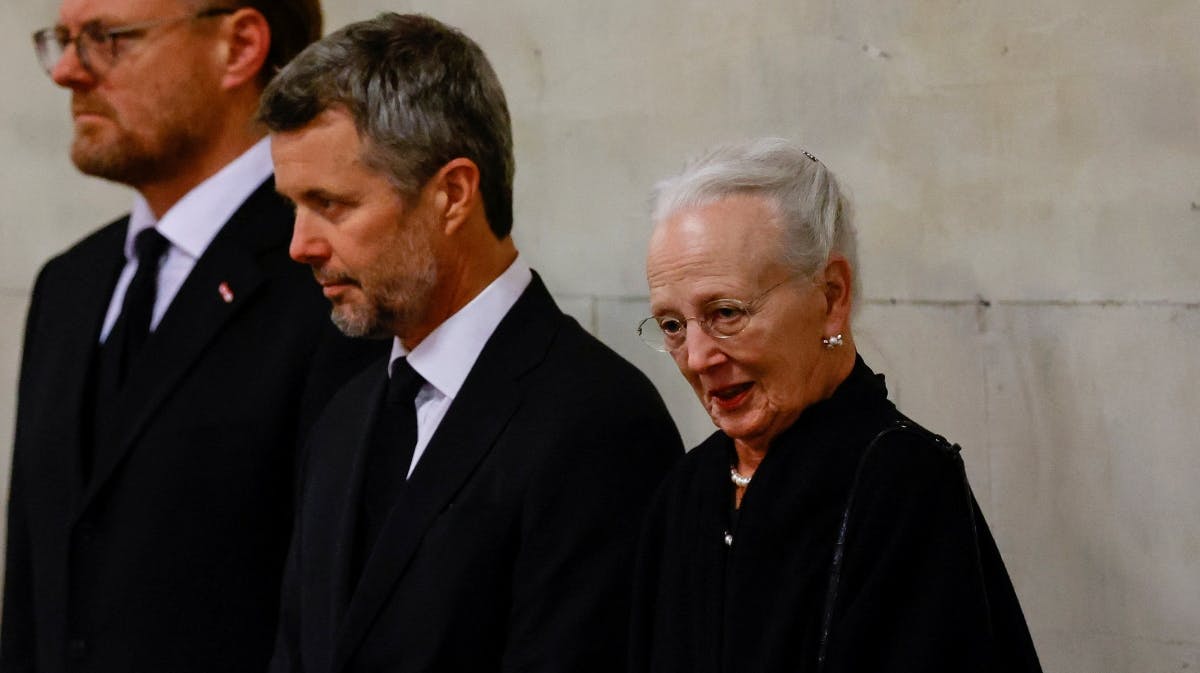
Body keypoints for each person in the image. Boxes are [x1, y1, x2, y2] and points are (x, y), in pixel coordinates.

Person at [258, 12, 682, 673]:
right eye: (293, 206)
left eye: (332, 204)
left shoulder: (598, 424)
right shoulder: (342, 420)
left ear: (453, 194)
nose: (299, 245)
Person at [2, 1, 384, 672]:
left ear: (238, 46)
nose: (66, 71)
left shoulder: (335, 285)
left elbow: (340, 609)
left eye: (107, 39)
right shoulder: (70, 286)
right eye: (62, 40)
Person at [629, 138, 1042, 672]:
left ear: (830, 297)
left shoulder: (900, 485)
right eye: (672, 326)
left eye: (726, 312)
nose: (699, 357)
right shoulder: (686, 493)